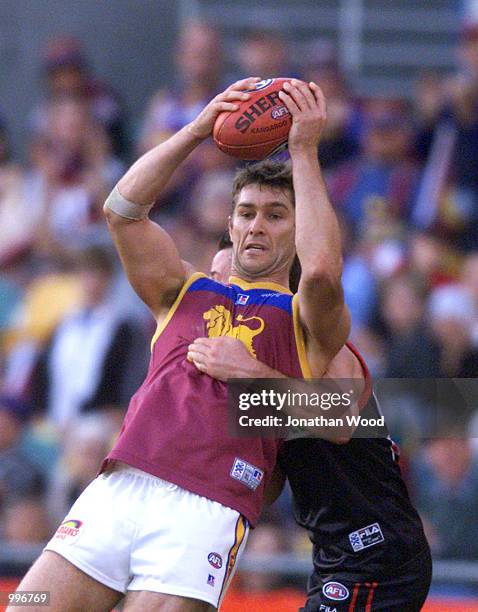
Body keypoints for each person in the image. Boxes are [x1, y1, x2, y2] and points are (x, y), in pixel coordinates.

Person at [13, 78, 350, 612]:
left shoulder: (305, 316)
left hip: (207, 507)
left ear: (297, 228)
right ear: (230, 223)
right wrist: (195, 130)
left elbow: (338, 409)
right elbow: (121, 209)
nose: (257, 226)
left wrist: (304, 150)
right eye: (246, 213)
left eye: (275, 214)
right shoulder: (185, 290)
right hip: (119, 487)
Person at [188, 243, 432, 611]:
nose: (216, 291)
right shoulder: (253, 373)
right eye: (213, 279)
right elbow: (268, 488)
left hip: (376, 552)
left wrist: (244, 371)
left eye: (226, 281)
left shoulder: (318, 343)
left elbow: (340, 421)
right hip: (335, 555)